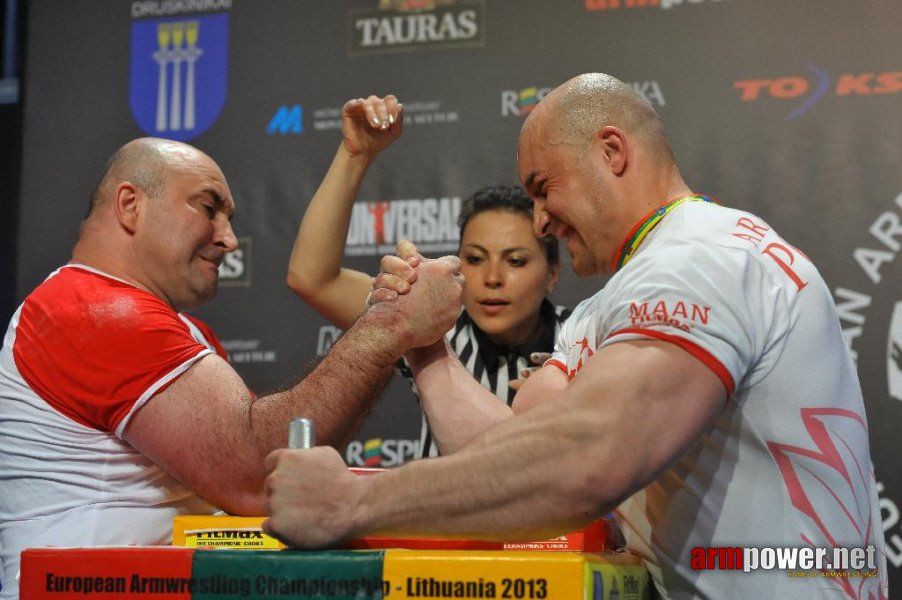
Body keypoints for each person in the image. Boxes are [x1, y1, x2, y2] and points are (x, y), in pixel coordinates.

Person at [263, 73, 889, 598]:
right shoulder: (608, 306)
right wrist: (424, 341)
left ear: (612, 152)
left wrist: (350, 503)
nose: (539, 219)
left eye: (543, 189)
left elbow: (586, 459)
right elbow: (511, 455)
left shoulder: (704, 256)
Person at [0, 137, 464, 599]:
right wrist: (393, 324)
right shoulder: (93, 310)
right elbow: (255, 476)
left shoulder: (176, 328)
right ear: (130, 205)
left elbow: (264, 482)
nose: (227, 238)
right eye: (208, 207)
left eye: (231, 219)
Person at [287, 94, 569, 457]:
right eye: (475, 258)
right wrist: (356, 155)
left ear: (552, 274)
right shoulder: (433, 324)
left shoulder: (584, 336)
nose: (493, 277)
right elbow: (313, 278)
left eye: (515, 261)